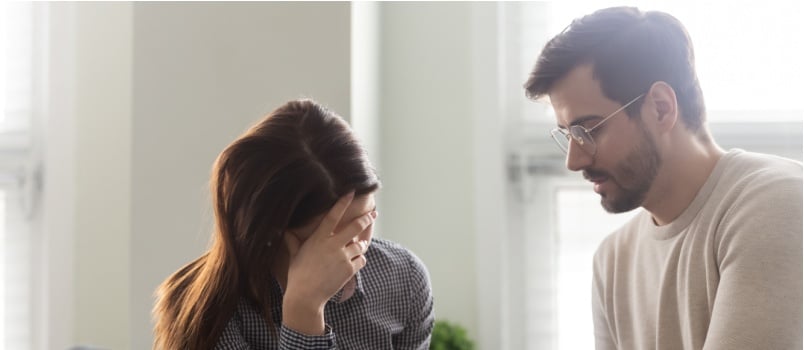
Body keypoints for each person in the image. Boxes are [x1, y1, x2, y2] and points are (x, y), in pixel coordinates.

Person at [523, 6, 802, 350]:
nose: (574, 160)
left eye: (588, 131)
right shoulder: (612, 260)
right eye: (568, 135)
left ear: (661, 107)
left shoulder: (776, 203)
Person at [152, 99, 434, 350]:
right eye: (337, 234)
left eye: (367, 217)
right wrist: (304, 310)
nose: (360, 244)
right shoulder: (203, 311)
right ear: (273, 229)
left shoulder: (404, 278)